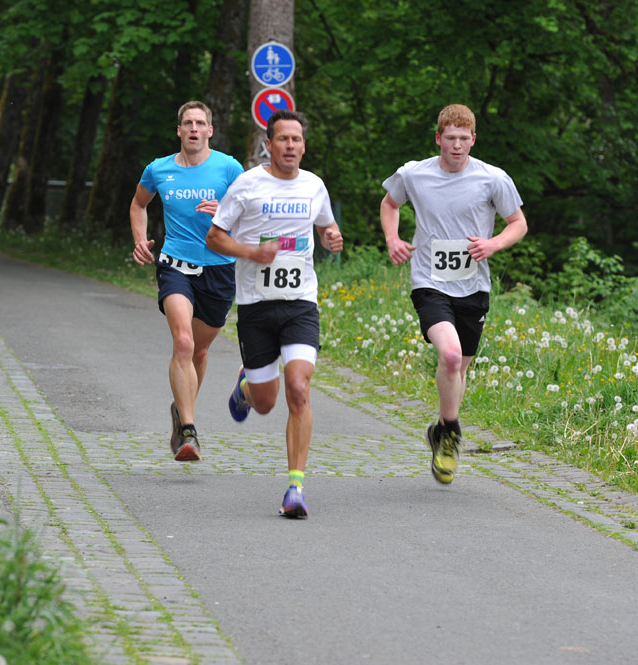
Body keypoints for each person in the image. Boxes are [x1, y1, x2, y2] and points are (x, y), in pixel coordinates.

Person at [379, 103, 528, 485]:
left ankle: (440, 430)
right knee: (448, 355)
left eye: (464, 138)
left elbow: (518, 223)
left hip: (473, 286)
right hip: (429, 281)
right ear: (438, 139)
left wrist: (493, 244)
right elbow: (390, 203)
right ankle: (451, 433)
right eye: (450, 138)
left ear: (473, 140)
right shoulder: (414, 174)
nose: (457, 145)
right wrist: (393, 238)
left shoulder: (493, 179)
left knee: (458, 369)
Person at [207, 109, 343, 519]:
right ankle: (246, 389)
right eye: (282, 139)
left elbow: (326, 227)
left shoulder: (314, 185)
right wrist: (251, 252)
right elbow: (215, 237)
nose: (290, 145)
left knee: (298, 388)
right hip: (256, 305)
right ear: (269, 145)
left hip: (301, 302)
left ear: (303, 145)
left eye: (296, 139)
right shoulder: (248, 185)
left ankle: (295, 488)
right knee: (266, 403)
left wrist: (331, 236)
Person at [130, 101, 244, 462]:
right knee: (182, 341)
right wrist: (140, 240)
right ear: (179, 130)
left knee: (199, 351)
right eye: (187, 123)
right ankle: (189, 431)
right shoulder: (158, 169)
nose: (194, 128)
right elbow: (138, 204)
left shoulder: (229, 168)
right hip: (174, 264)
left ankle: (180, 410)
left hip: (219, 268)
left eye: (200, 123)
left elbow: (253, 212)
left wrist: (226, 212)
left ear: (210, 130)